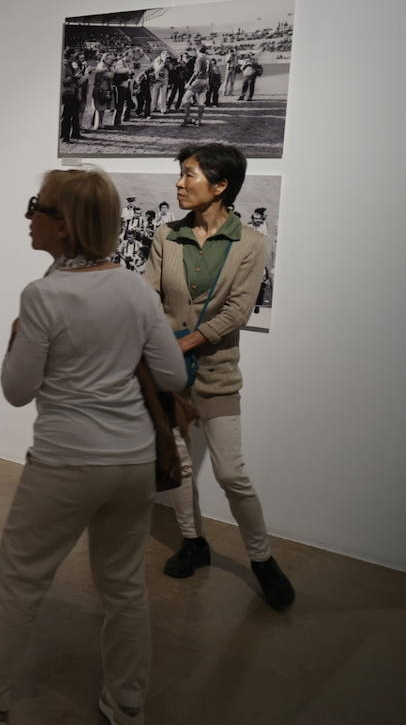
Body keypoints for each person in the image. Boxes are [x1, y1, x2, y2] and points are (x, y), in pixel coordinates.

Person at [0, 168, 187, 725]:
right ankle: (127, 703)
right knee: (125, 586)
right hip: (133, 460)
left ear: (64, 228)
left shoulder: (43, 295)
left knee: (19, 582)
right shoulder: (134, 287)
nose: (28, 216)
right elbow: (173, 376)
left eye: (36, 206)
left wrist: (17, 336)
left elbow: (17, 392)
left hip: (66, 460)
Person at [146, 144, 295, 610]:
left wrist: (182, 343)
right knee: (182, 469)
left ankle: (262, 559)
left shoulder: (249, 243)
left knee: (233, 474)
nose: (179, 183)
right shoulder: (164, 235)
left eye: (189, 175)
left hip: (217, 374)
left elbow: (238, 310)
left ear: (221, 185)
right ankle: (193, 542)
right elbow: (148, 295)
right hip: (169, 375)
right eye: (181, 174)